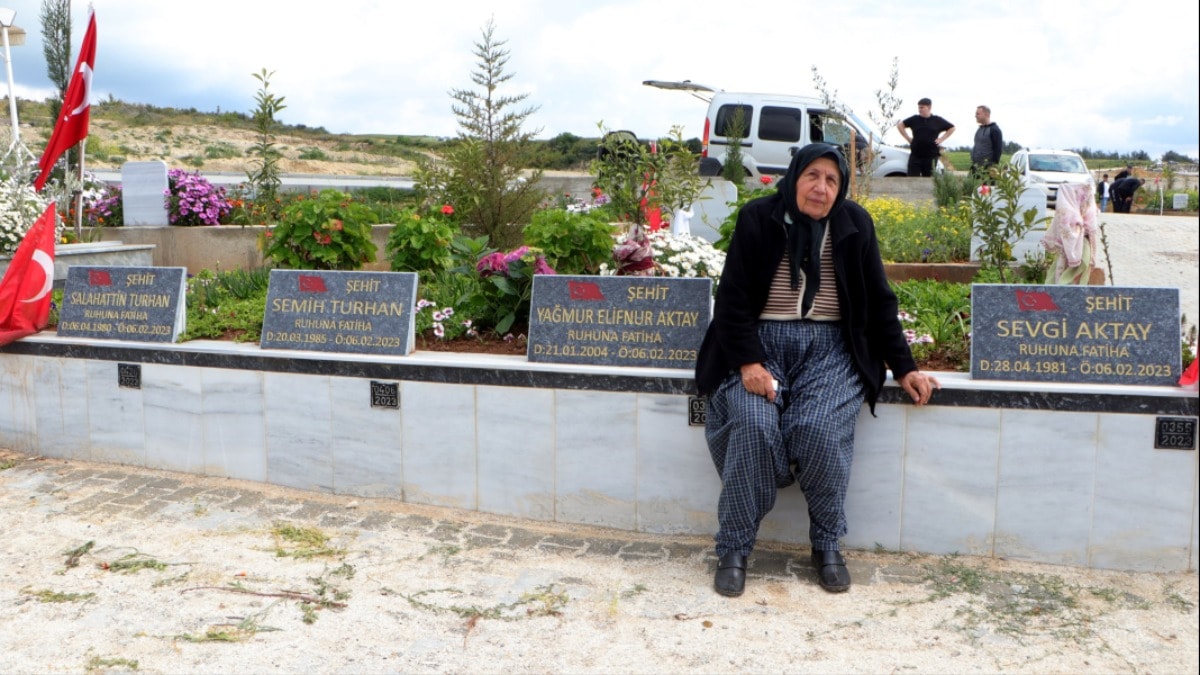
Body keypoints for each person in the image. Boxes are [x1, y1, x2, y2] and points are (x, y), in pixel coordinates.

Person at [694, 143, 940, 598]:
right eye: (813, 176)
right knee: (752, 422)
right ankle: (733, 547)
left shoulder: (854, 224)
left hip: (830, 350)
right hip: (759, 343)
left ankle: (826, 542)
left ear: (841, 187)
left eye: (832, 180)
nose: (821, 188)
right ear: (794, 177)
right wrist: (749, 362)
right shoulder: (757, 218)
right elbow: (731, 301)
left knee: (818, 427)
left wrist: (905, 368)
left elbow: (879, 302)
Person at [896, 98, 955, 177]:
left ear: (929, 107)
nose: (920, 110)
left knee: (929, 181)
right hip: (916, 155)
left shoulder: (937, 120)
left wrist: (941, 139)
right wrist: (908, 138)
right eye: (919, 107)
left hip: (931, 156)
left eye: (922, 107)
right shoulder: (914, 119)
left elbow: (952, 128)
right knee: (912, 179)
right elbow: (900, 125)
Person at [969, 105, 1003, 177]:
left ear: (986, 114)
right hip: (976, 168)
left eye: (978, 114)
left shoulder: (995, 130)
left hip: (987, 171)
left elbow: (998, 150)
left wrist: (993, 168)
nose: (975, 116)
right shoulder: (979, 130)